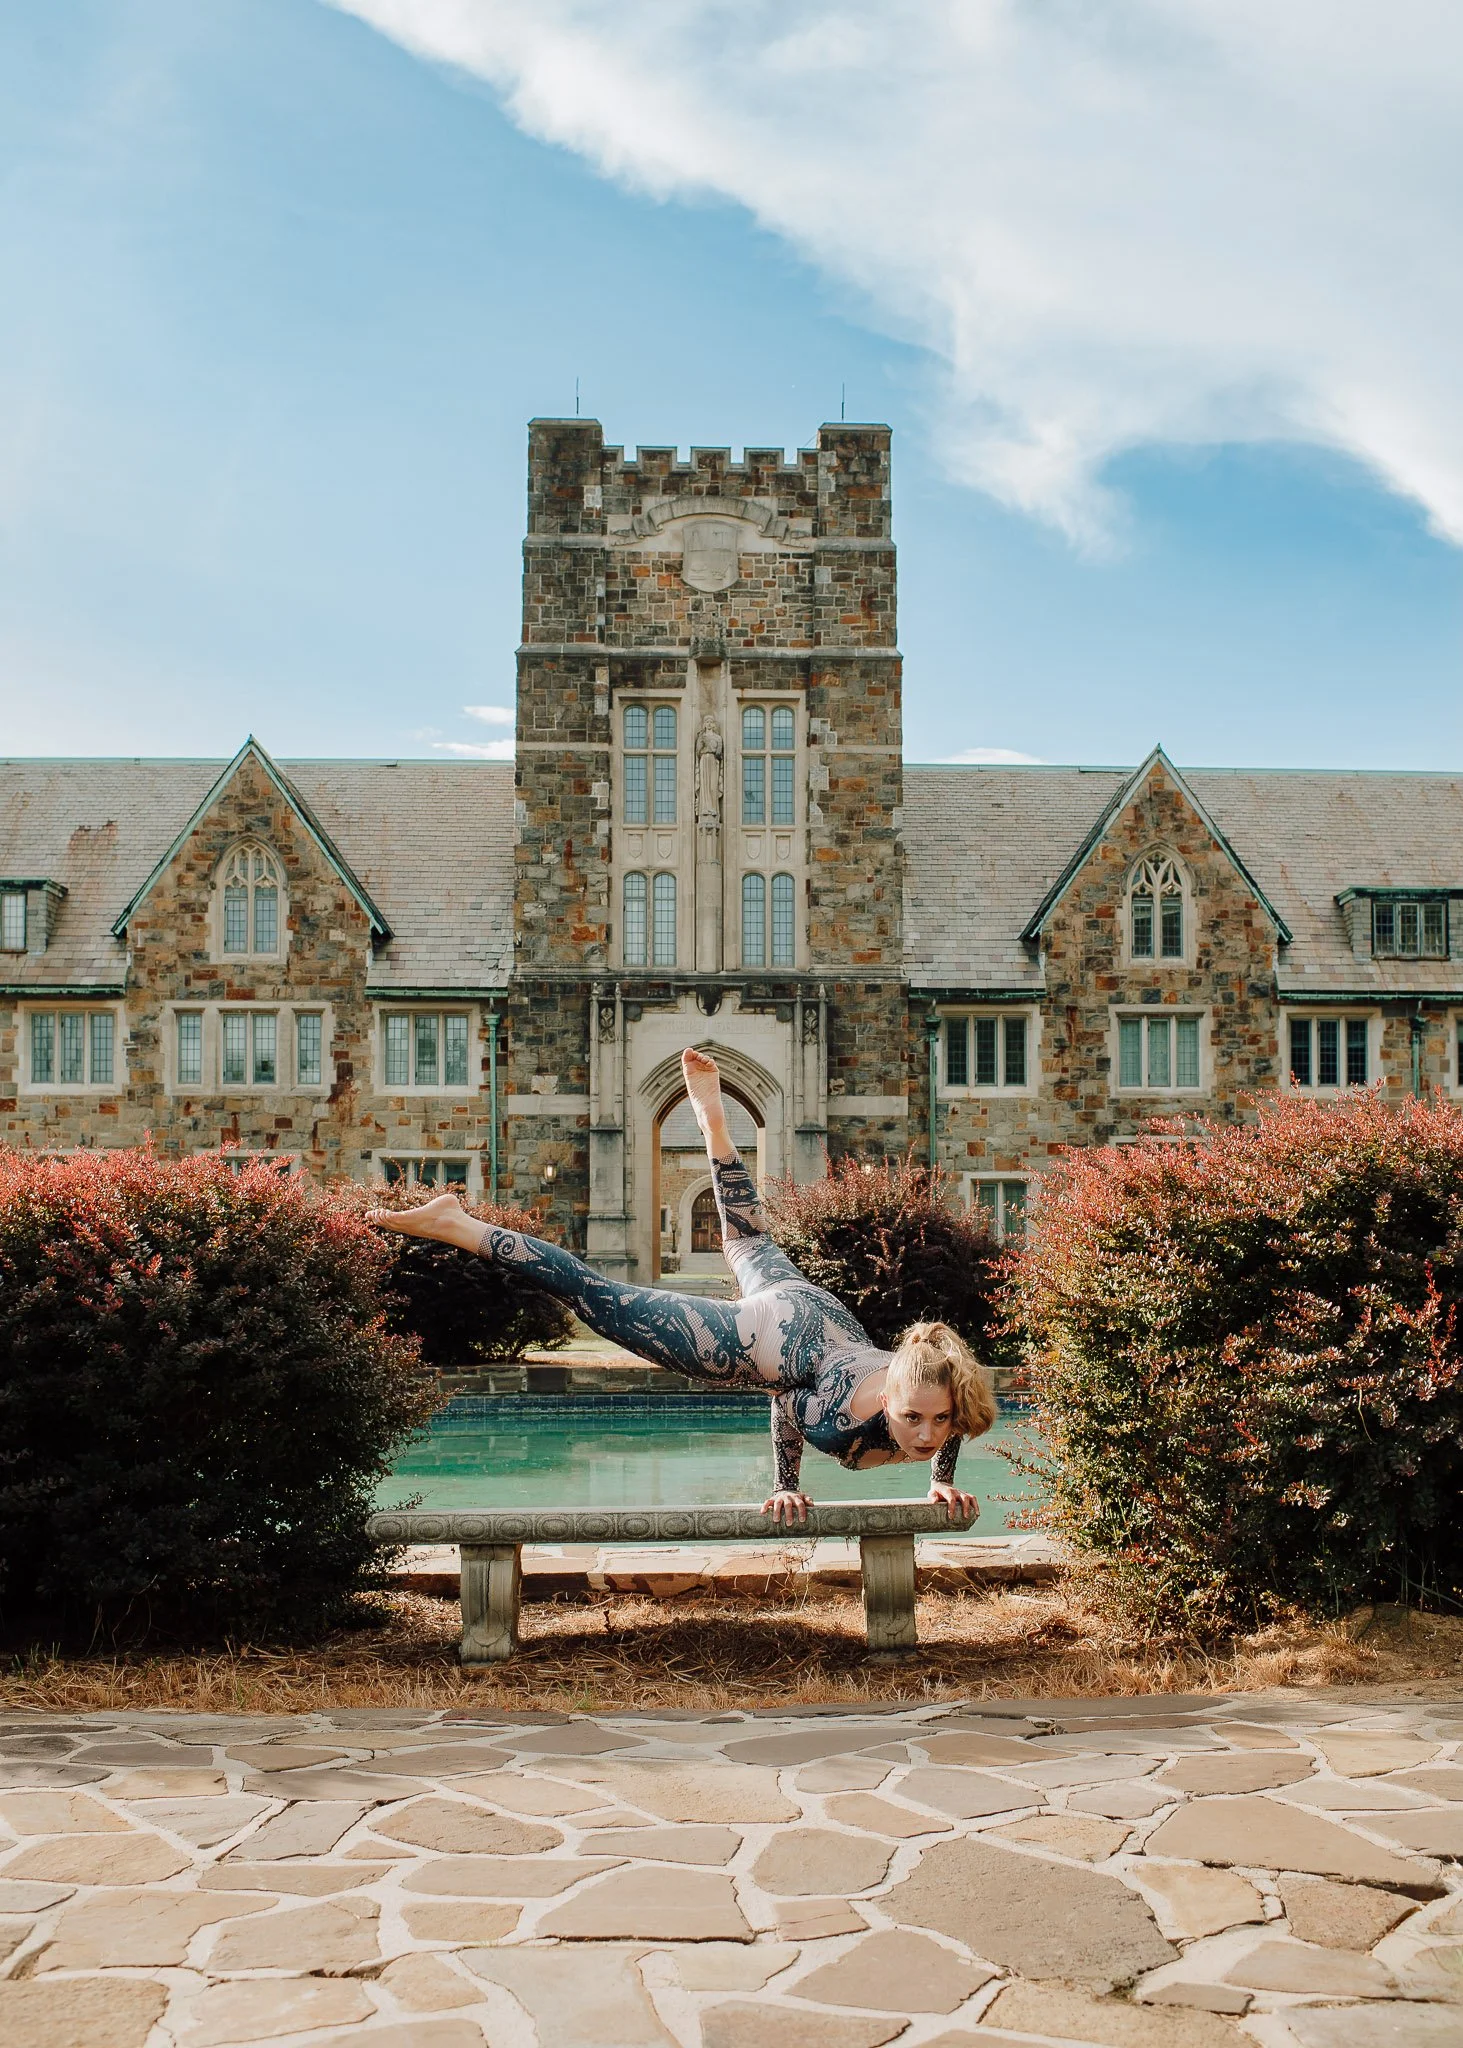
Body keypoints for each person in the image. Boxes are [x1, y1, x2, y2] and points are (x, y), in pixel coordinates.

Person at [368, 1048, 996, 1523]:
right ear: (886, 1398)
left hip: (821, 1313)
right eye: (914, 1419)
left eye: (937, 1422)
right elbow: (783, 1402)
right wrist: (784, 1482)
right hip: (773, 1336)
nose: (925, 1434)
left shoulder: (944, 1394)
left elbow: (947, 1416)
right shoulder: (844, 1411)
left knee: (747, 1242)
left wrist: (939, 1476)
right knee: (598, 1299)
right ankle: (459, 1223)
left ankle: (715, 1127)